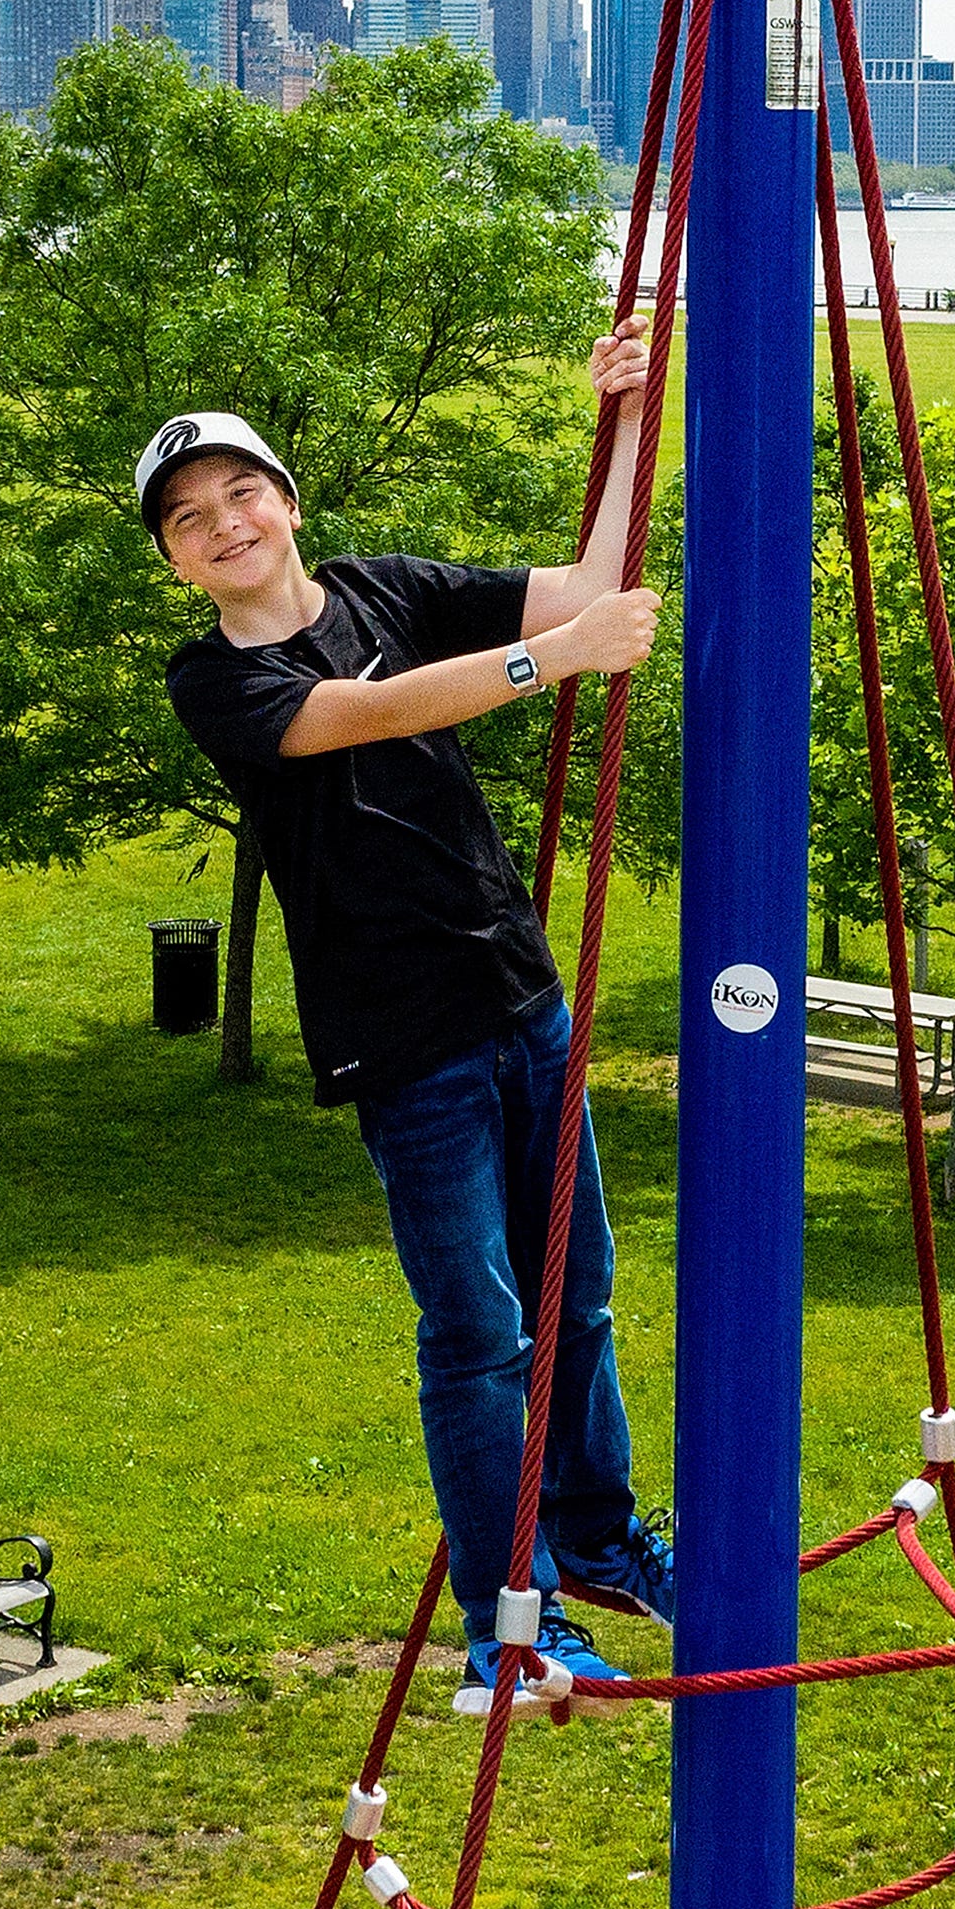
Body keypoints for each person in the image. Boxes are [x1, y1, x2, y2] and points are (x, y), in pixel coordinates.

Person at [150, 338, 671, 1692]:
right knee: (478, 1328)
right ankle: (511, 1618)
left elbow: (591, 583)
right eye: (191, 520)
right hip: (406, 1038)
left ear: (289, 499)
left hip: (516, 996)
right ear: (176, 564)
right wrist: (548, 664)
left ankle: (604, 1540)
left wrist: (619, 420)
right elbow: (364, 716)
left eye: (239, 495)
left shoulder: (386, 588)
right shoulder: (213, 681)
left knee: (583, 1295)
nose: (225, 527)